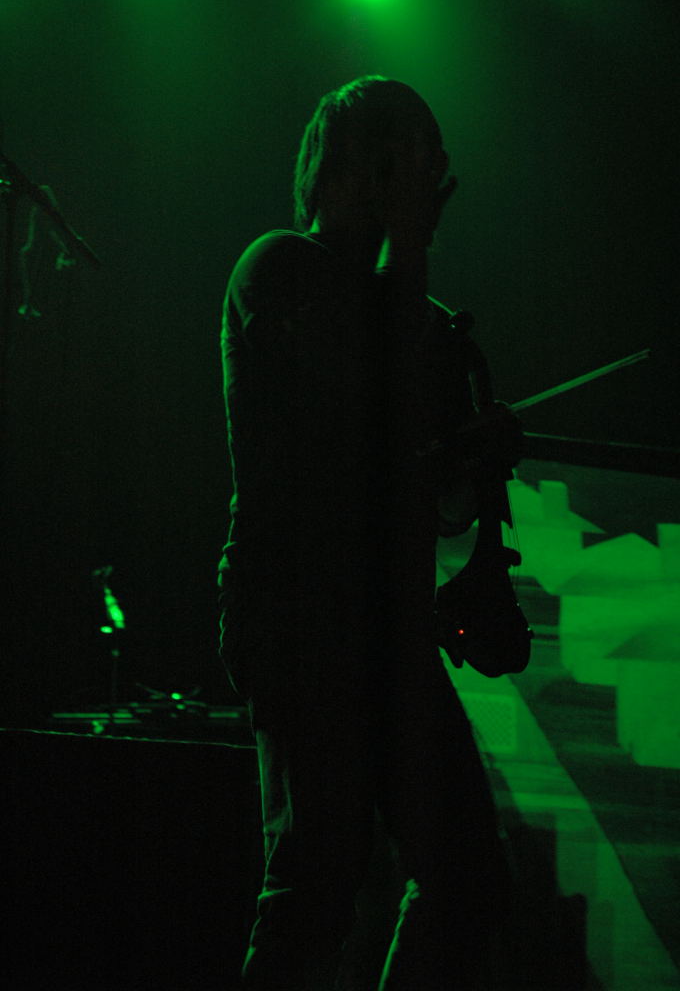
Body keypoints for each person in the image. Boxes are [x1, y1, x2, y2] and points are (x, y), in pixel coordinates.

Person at [218, 76, 523, 991]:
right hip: (299, 612)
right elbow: (355, 388)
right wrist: (409, 250)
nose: (426, 182)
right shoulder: (278, 267)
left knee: (465, 876)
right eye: (407, 161)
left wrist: (472, 462)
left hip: (389, 626)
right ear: (352, 164)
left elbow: (440, 507)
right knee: (317, 885)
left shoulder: (420, 314)